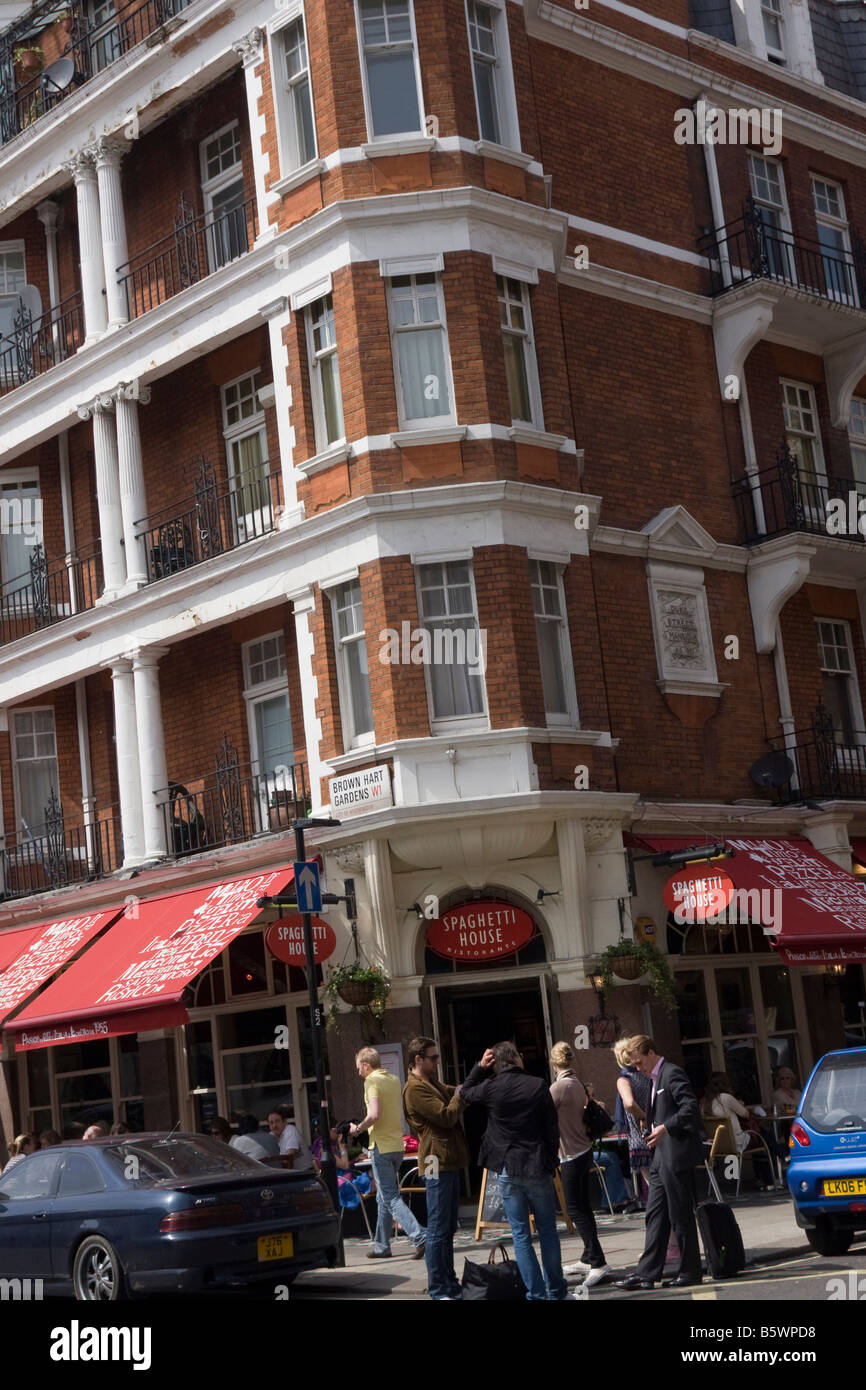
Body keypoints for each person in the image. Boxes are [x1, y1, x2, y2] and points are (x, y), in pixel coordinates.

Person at [461, 1041, 570, 1301]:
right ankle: (556, 1291)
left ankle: (535, 1294)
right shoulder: (537, 1085)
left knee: (521, 1234)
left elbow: (464, 1093)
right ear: (517, 1058)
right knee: (547, 1231)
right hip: (536, 1165)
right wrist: (552, 1158)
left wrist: (478, 1068)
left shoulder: (490, 1087)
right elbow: (551, 1127)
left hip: (508, 1168)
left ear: (496, 1062)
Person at [615, 1036, 705, 1291]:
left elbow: (690, 1107)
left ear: (652, 1053)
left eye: (640, 1062)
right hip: (659, 1156)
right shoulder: (655, 1078)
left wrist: (665, 1127)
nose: (638, 1068)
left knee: (680, 1214)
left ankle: (690, 1271)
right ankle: (647, 1274)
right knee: (655, 1215)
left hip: (676, 1154)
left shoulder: (671, 1073)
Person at [403, 1035, 469, 1300]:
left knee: (448, 1226)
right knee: (438, 1227)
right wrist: (460, 1096)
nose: (437, 1062)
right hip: (433, 1160)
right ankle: (439, 1288)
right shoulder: (415, 1089)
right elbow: (446, 1115)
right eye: (433, 1058)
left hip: (446, 1159)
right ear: (418, 1059)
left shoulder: (430, 1082)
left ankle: (449, 1282)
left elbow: (455, 1090)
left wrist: (472, 1081)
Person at [349, 1047, 426, 1261]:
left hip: (380, 1147)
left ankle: (420, 1237)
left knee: (390, 1197)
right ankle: (382, 1245)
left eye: (358, 1068)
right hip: (397, 1146)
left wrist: (358, 1128)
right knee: (383, 1198)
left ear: (366, 1064)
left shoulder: (371, 1082)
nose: (358, 1073)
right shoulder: (393, 1079)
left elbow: (374, 1114)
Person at [549, 1042, 611, 1288]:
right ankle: (588, 1256)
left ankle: (598, 1261)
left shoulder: (559, 1087)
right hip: (582, 1150)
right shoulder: (578, 1084)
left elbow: (540, 1112)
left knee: (576, 1209)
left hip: (570, 1155)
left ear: (554, 1063)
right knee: (583, 1207)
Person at [702, 1072, 775, 1191]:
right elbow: (745, 1114)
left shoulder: (705, 1102)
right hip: (736, 1143)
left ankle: (735, 1181)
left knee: (759, 1138)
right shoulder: (726, 1097)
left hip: (718, 1145)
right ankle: (768, 1180)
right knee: (763, 1139)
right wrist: (739, 1104)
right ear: (725, 1084)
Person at [613, 1035, 652, 1202]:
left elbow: (629, 1103)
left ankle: (665, 1220)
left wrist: (643, 1117)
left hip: (639, 1137)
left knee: (653, 1184)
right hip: (657, 1133)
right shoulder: (647, 1075)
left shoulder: (625, 1079)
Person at [267, 1105, 315, 1172]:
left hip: (304, 1173)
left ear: (284, 1122)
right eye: (271, 1123)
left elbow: (289, 1157)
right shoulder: (271, 1135)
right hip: (288, 1173)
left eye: (277, 1121)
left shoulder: (290, 1130)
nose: (274, 1125)